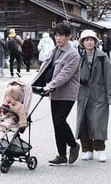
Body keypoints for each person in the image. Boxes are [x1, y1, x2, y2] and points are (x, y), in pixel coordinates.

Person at [31, 22, 81, 166]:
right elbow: (45, 68)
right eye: (57, 35)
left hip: (67, 93)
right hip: (54, 92)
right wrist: (34, 84)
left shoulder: (73, 55)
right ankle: (61, 155)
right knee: (56, 124)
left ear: (68, 37)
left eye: (61, 36)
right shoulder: (55, 50)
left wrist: (50, 86)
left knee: (60, 120)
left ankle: (74, 145)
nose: (58, 38)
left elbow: (65, 75)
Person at [76, 29, 111, 162]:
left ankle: (101, 149)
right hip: (83, 94)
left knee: (99, 122)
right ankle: (87, 150)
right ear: (82, 42)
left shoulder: (102, 57)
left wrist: (110, 95)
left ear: (95, 42)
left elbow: (109, 77)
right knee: (85, 123)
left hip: (99, 94)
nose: (89, 42)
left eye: (91, 39)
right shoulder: (79, 57)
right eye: (86, 39)